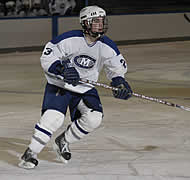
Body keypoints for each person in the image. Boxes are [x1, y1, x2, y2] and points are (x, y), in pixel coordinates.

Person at [18, 5, 132, 169]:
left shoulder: (107, 46)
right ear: (85, 23)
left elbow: (116, 69)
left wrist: (119, 82)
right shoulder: (69, 39)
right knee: (53, 119)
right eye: (96, 21)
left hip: (85, 88)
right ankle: (30, 153)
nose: (101, 24)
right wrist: (61, 69)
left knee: (94, 118)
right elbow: (47, 57)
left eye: (102, 21)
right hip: (60, 85)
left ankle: (63, 141)